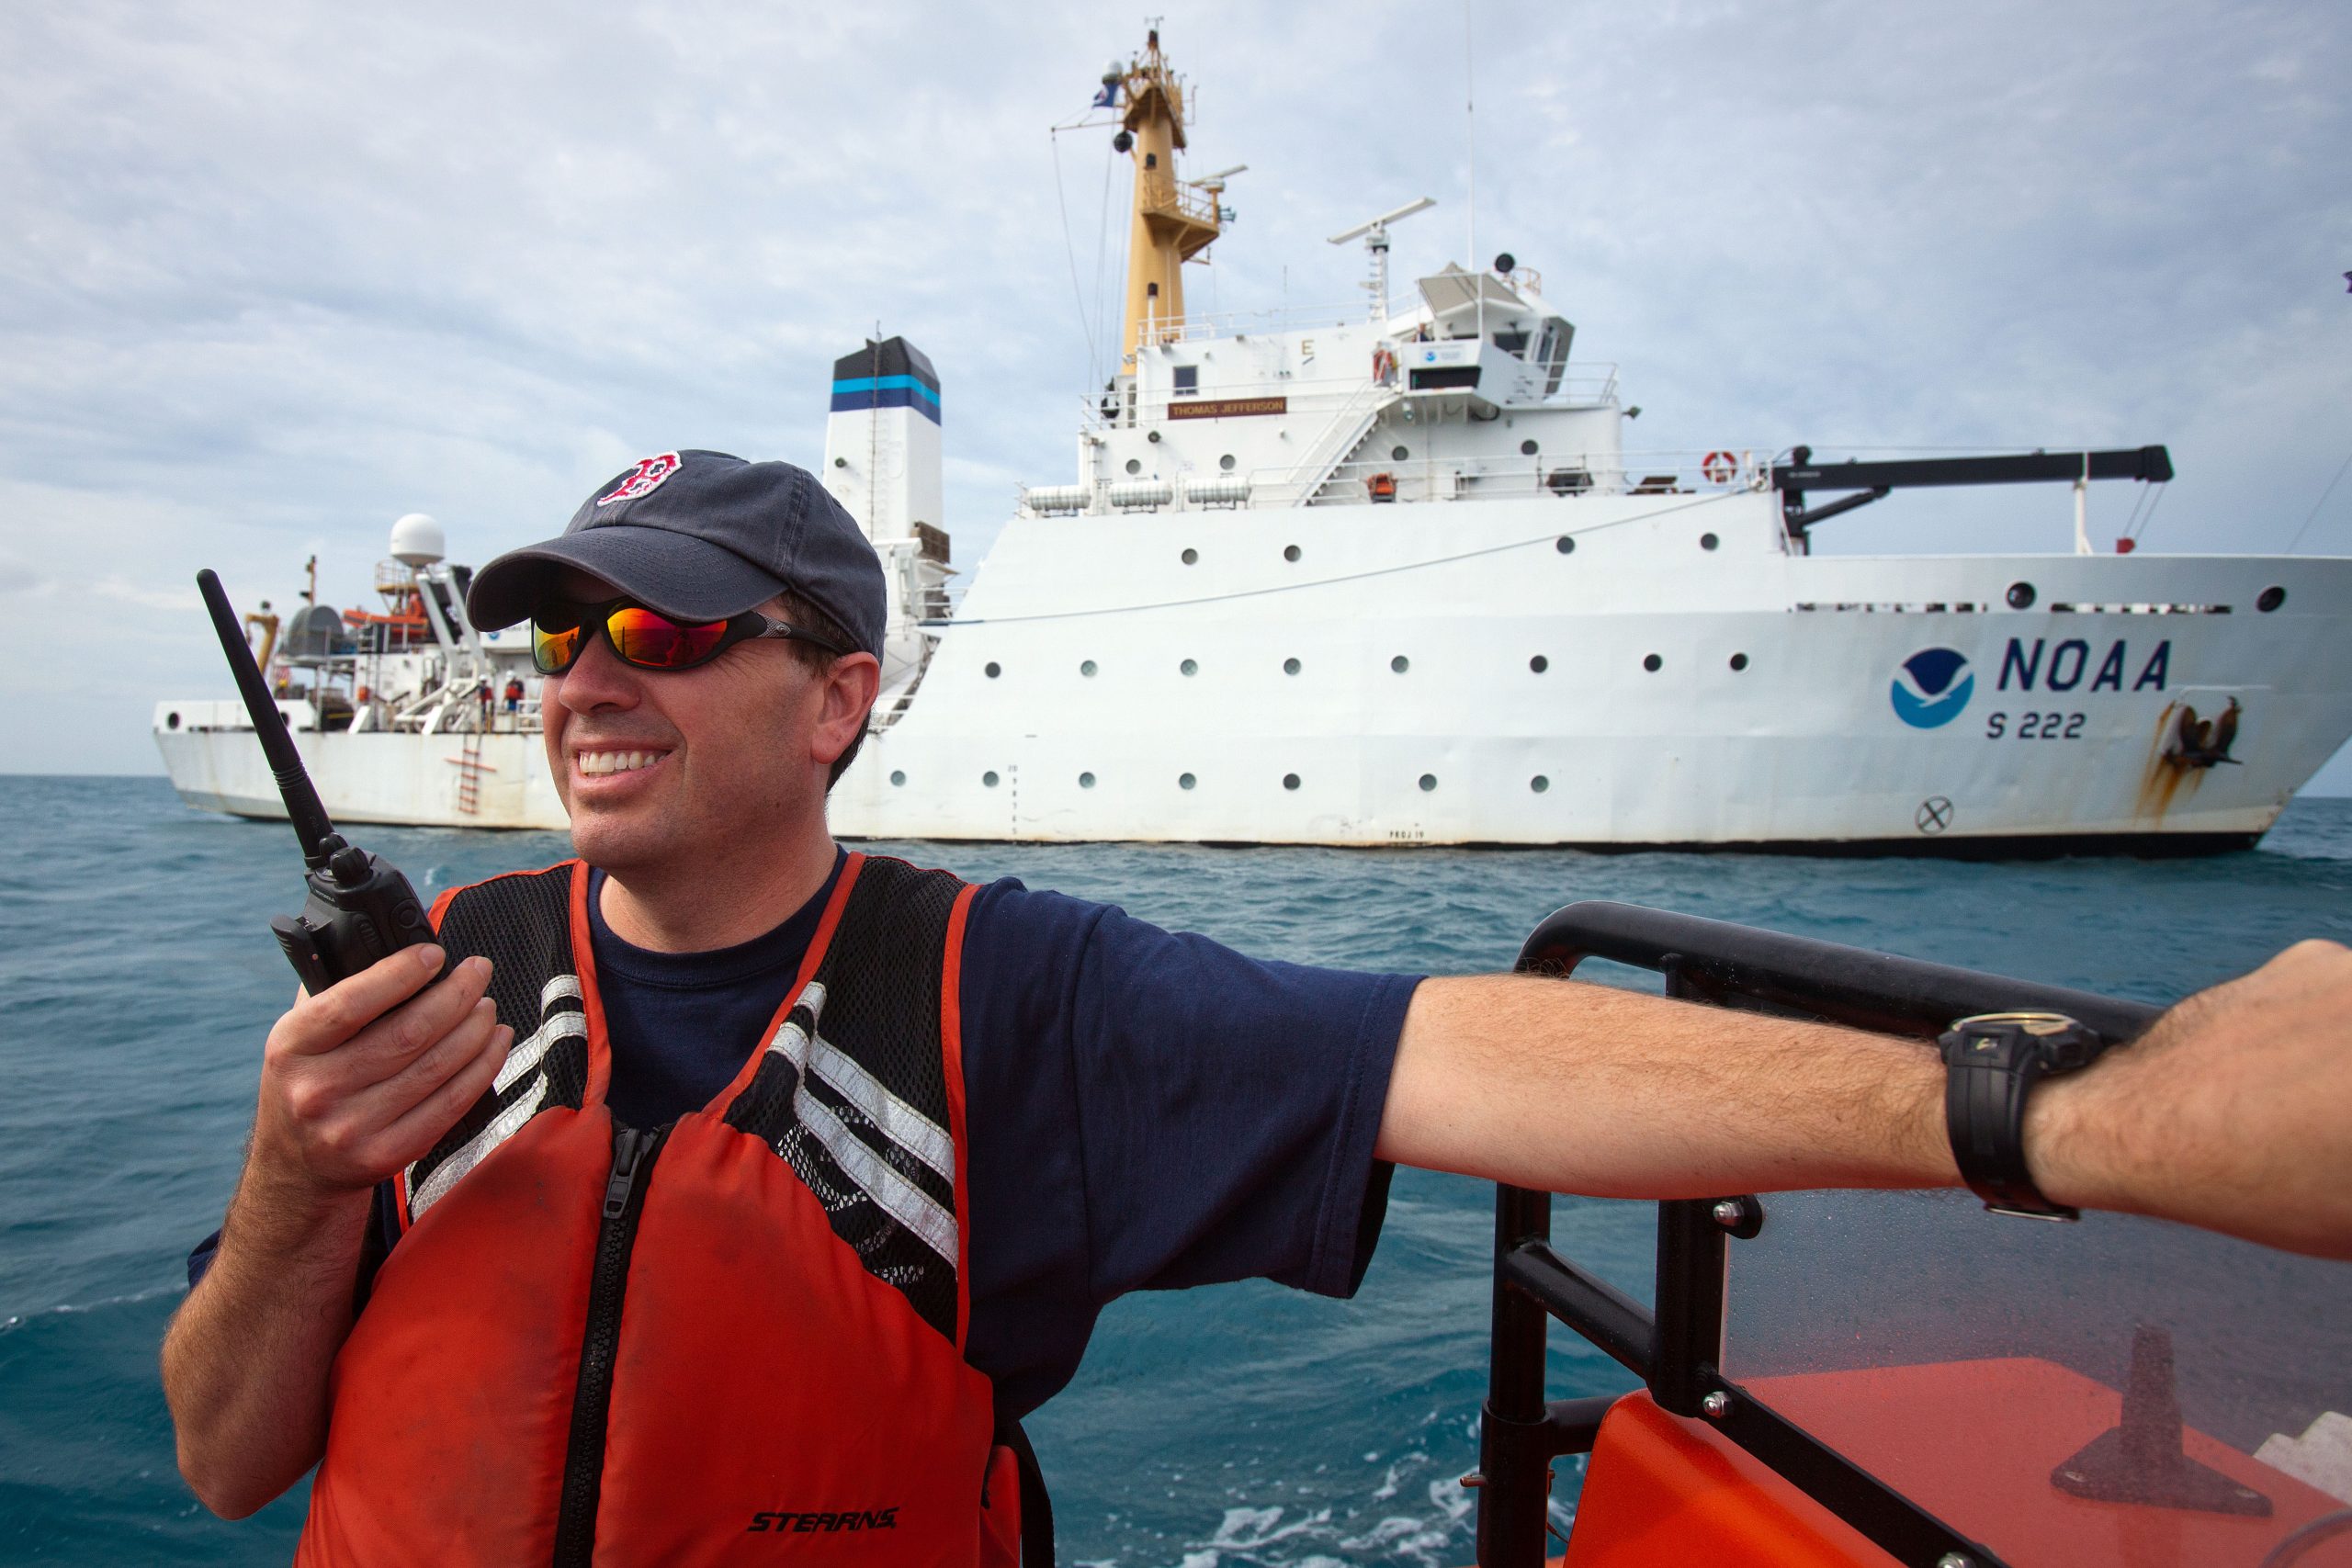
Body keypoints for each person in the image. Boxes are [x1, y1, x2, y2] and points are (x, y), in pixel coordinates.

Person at [162, 451, 2352, 1561]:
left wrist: (2068, 1106)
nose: (588, 679)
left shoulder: (995, 993)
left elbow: (1454, 1046)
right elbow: (225, 1448)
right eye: (552, 637)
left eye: (657, 621)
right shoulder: (428, 996)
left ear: (841, 694)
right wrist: (290, 1177)